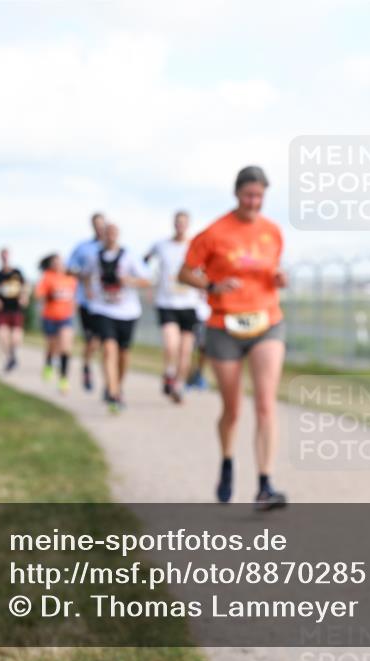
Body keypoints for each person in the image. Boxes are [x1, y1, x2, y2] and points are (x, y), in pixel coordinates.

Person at [178, 166, 289, 511]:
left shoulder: (272, 231)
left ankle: (265, 485)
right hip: (224, 325)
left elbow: (271, 271)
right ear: (237, 193)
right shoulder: (213, 233)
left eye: (259, 196)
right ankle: (227, 461)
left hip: (267, 321)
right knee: (233, 409)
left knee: (266, 404)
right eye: (248, 195)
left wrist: (279, 279)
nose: (254, 202)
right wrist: (212, 285)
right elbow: (184, 273)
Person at [81, 222, 151, 413]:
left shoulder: (130, 256)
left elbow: (146, 280)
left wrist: (127, 280)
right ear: (102, 235)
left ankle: (117, 386)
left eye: (113, 232)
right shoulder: (94, 257)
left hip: (127, 311)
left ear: (118, 234)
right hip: (103, 309)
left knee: (123, 354)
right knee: (108, 349)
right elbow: (85, 274)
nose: (110, 236)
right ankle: (112, 393)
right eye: (107, 232)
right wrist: (88, 290)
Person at [145, 210, 206, 404]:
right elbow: (144, 262)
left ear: (188, 225)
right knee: (171, 345)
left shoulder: (195, 245)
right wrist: (150, 283)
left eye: (184, 222)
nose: (180, 225)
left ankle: (178, 387)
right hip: (167, 303)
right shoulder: (161, 245)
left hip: (190, 304)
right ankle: (169, 373)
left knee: (185, 352)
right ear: (173, 223)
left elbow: (206, 269)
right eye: (178, 222)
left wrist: (204, 286)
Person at [67, 213, 107, 392]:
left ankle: (109, 383)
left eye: (102, 224)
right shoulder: (83, 248)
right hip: (87, 302)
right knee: (92, 340)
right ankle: (87, 366)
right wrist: (84, 276)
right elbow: (69, 269)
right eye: (96, 224)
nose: (99, 227)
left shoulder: (113, 248)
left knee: (107, 343)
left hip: (108, 305)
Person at [34, 253, 77, 394]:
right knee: (52, 347)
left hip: (66, 318)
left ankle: (63, 379)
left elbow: (75, 296)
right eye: (55, 262)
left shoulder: (71, 279)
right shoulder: (47, 278)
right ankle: (48, 364)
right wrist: (47, 295)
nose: (58, 264)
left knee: (66, 347)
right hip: (50, 317)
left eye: (60, 262)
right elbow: (38, 294)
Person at [0, 247, 29, 373]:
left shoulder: (17, 273)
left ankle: (12, 355)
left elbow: (25, 286)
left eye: (6, 256)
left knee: (16, 338)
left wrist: (24, 296)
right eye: (3, 256)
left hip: (16, 309)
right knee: (2, 336)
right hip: (3, 310)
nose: (5, 258)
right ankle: (10, 358)